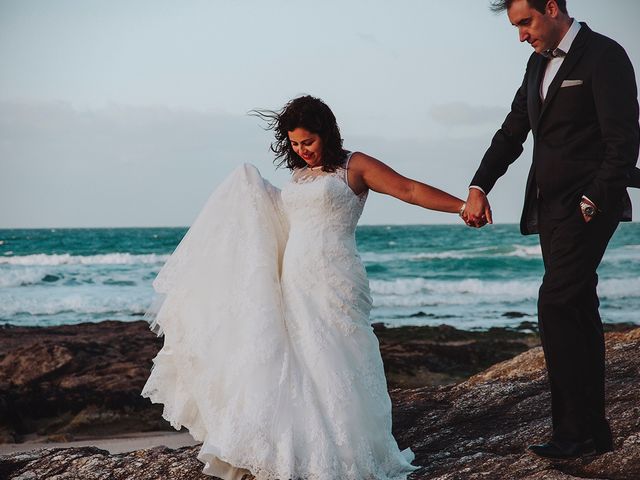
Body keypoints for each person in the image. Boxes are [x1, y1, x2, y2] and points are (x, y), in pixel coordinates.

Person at [142, 95, 466, 479]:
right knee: (300, 362)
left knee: (339, 358)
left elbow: (407, 189)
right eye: (294, 144)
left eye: (308, 142)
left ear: (326, 133)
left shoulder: (354, 166)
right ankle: (298, 449)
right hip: (294, 277)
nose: (302, 151)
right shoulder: (298, 177)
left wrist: (462, 206)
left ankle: (348, 451)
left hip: (336, 277)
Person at [463, 0, 640, 460]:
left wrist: (594, 199)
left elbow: (624, 141)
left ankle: (571, 435)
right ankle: (592, 433)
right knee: (578, 309)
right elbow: (512, 131)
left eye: (526, 22)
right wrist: (481, 184)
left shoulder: (605, 55)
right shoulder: (534, 64)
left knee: (556, 303)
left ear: (553, 7)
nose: (521, 34)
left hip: (588, 206)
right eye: (516, 26)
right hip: (549, 208)